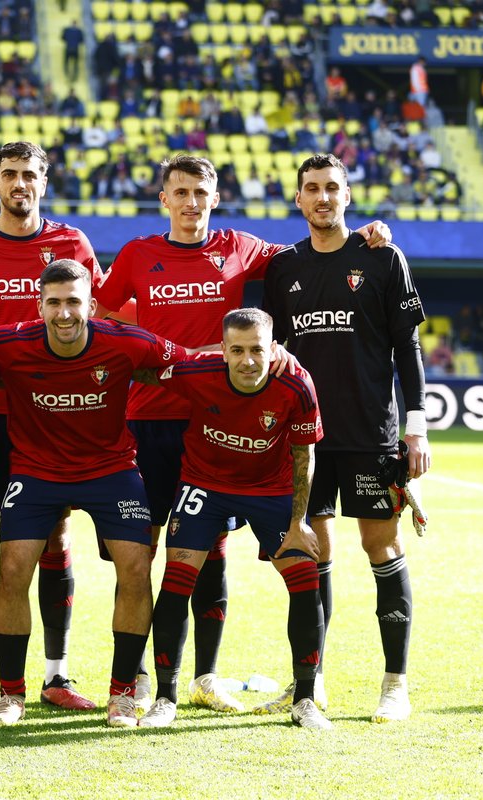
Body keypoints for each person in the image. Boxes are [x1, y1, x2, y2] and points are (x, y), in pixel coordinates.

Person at [93, 155, 390, 716]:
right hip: (152, 418)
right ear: (164, 199)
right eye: (179, 191)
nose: (190, 202)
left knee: (211, 552)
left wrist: (367, 235)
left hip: (223, 421)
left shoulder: (243, 247)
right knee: (141, 553)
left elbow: (317, 249)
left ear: (214, 197)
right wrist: (163, 358)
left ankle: (204, 676)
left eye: (200, 192)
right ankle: (134, 678)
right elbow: (103, 322)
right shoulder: (137, 254)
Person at [0, 260, 186, 728]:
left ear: (92, 306)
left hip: (110, 470)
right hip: (36, 470)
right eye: (54, 303)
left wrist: (265, 354)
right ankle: (11, 695)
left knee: (136, 565)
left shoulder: (127, 341)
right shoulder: (11, 342)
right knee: (11, 568)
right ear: (40, 306)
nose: (64, 313)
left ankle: (123, 694)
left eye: (73, 302)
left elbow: (190, 361)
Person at [0, 142, 105, 711]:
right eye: (10, 175)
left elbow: (95, 312)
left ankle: (56, 676)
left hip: (53, 411)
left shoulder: (71, 243)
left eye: (30, 175)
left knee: (54, 536)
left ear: (44, 182)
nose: (20, 184)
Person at [261, 153, 431, 723]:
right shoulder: (282, 269)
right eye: (312, 188)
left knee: (381, 548)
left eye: (332, 188)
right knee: (312, 554)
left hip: (371, 435)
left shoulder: (382, 258)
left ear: (349, 195)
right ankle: (312, 682)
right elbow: (269, 358)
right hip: (305, 440)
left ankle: (395, 684)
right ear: (299, 199)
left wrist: (416, 426)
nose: (323, 197)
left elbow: (406, 347)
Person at [138, 308, 329, 730]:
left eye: (257, 349)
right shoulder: (197, 370)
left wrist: (298, 522)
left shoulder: (296, 383)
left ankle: (304, 699)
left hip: (271, 489)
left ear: (272, 347)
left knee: (304, 578)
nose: (247, 360)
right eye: (237, 350)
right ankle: (165, 698)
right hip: (204, 485)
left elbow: (305, 454)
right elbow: (144, 370)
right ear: (222, 350)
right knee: (177, 580)